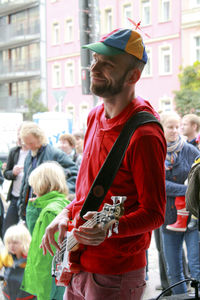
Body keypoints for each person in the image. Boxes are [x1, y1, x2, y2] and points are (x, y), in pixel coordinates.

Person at [41, 28, 167, 300]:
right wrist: (65, 214)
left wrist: (112, 227)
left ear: (133, 76)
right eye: (95, 59)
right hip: (77, 264)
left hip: (116, 273)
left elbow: (154, 213)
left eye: (107, 63)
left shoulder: (144, 133)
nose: (94, 67)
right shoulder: (94, 116)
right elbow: (90, 192)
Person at [160, 111, 200, 295]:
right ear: (162, 127)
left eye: (178, 127)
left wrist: (190, 189)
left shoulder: (191, 150)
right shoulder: (156, 151)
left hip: (192, 218)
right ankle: (181, 297)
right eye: (170, 127)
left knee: (196, 265)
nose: (175, 130)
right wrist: (186, 189)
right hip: (168, 218)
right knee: (174, 270)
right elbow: (159, 184)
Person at [21, 161, 70, 300]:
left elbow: (46, 253)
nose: (33, 190)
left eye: (34, 186)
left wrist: (31, 208)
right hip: (60, 278)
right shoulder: (63, 204)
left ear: (42, 185)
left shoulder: (48, 212)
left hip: (49, 280)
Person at [18, 121, 78, 221]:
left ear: (39, 137)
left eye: (31, 143)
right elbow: (25, 183)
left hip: (47, 209)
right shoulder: (29, 156)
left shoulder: (55, 154)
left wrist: (58, 195)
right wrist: (21, 205)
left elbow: (74, 174)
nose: (28, 146)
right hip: (33, 207)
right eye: (26, 143)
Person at [3, 124, 29, 235]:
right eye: (18, 133)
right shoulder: (14, 152)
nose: (19, 137)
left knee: (27, 230)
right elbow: (6, 173)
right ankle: (12, 252)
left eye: (21, 133)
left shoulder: (35, 152)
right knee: (7, 228)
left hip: (28, 198)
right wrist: (13, 173)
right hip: (14, 196)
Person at [0, 223, 36, 300]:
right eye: (8, 243)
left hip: (28, 295)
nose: (11, 246)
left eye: (15, 243)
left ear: (25, 242)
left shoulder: (31, 257)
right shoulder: (6, 255)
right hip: (9, 293)